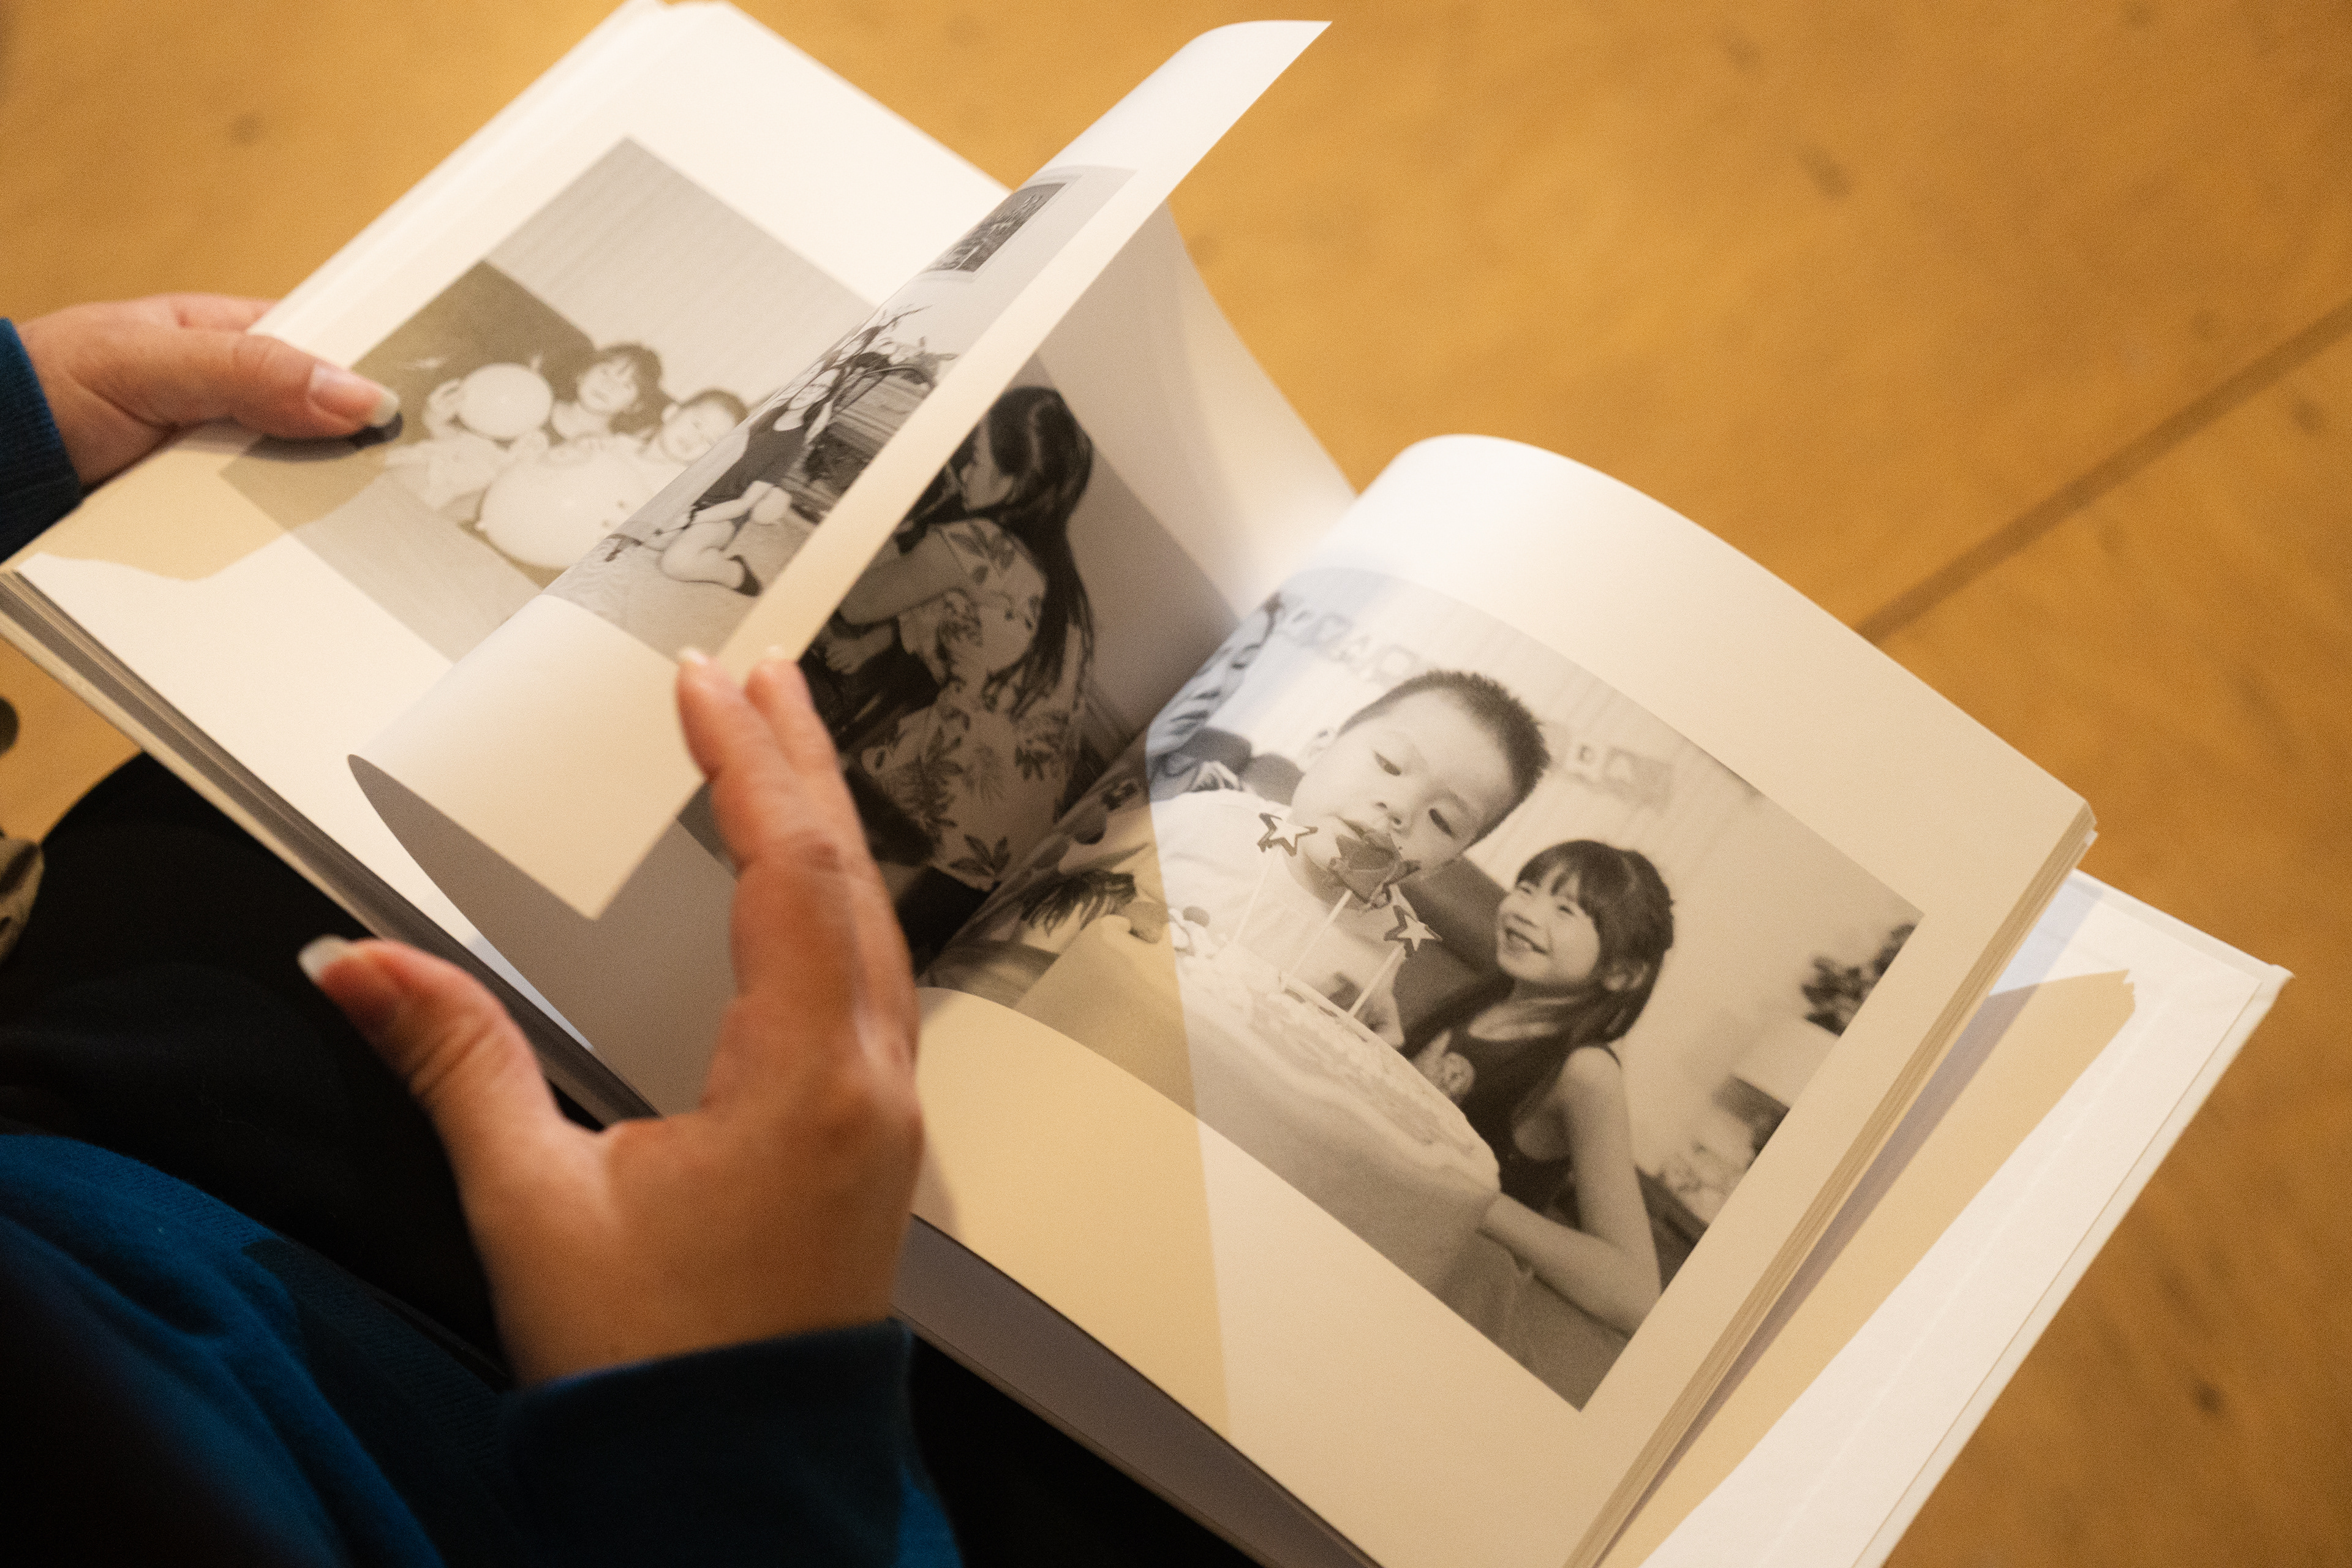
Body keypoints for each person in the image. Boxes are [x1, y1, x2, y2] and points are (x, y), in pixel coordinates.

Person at [0, 297, 962, 1564]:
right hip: (501, 1462)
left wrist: (12, 421)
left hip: (97, 1219)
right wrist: (741, 1436)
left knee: (194, 834)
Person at [944, 668, 1549, 1046]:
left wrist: (1366, 1046)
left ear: (1443, 865)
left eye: (1442, 821)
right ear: (1320, 747)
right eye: (1389, 764)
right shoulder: (1197, 823)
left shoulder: (1383, 951)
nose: (1399, 808)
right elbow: (1030, 920)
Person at [824, 386, 1096, 935]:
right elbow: (966, 641)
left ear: (1012, 482)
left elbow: (856, 601)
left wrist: (878, 499)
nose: (965, 472)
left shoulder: (980, 543)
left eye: (976, 460)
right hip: (1012, 844)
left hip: (948, 815)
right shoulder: (1064, 590)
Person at [1406, 840, 1675, 1337]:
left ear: (1621, 972)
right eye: (1528, 889)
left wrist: (1468, 1190)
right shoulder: (1486, 1002)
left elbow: (1635, 1292)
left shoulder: (1585, 1072)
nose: (1527, 911)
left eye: (1565, 909)